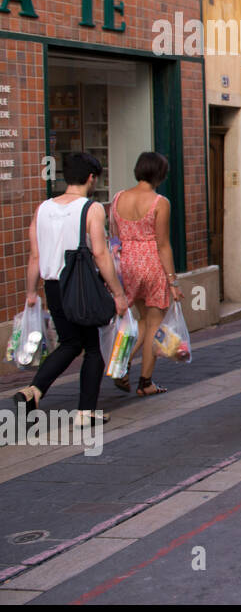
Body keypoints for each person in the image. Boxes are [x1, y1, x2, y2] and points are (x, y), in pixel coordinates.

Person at [15, 152, 129, 425]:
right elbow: (100, 255)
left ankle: (34, 390)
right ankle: (85, 411)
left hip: (53, 287)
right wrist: (118, 293)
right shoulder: (91, 209)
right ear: (91, 178)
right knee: (92, 348)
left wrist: (31, 292)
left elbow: (35, 256)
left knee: (70, 342)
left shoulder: (43, 208)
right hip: (80, 286)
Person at [108, 151, 182, 396]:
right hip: (151, 263)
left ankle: (122, 362)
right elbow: (163, 244)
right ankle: (145, 382)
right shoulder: (160, 202)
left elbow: (114, 235)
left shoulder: (118, 198)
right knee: (154, 323)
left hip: (127, 263)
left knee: (140, 319)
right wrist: (172, 281)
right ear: (160, 174)